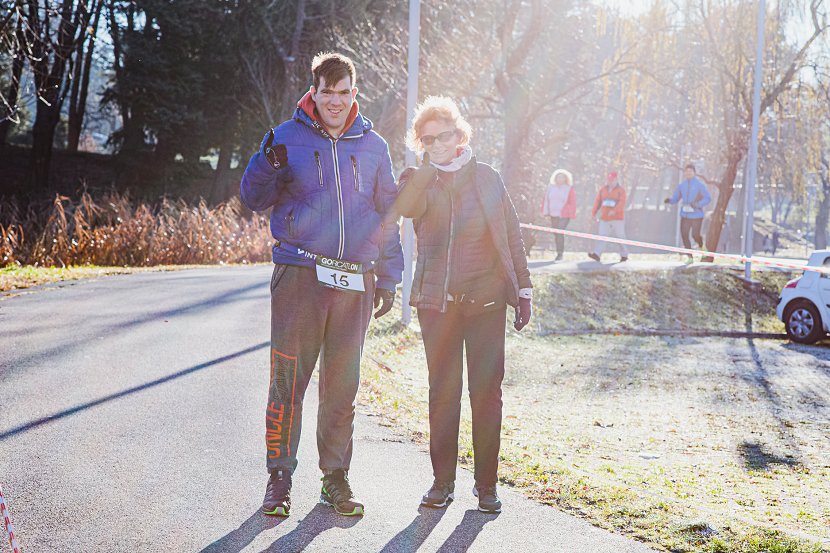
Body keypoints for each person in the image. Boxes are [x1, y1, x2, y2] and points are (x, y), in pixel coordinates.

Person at [239, 52, 403, 518]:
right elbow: (252, 198)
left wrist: (389, 275)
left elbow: (388, 213)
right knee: (288, 381)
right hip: (300, 275)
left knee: (342, 387)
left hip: (355, 280)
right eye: (327, 92)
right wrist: (266, 163)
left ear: (355, 93)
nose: (335, 100)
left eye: (343, 91)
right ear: (313, 92)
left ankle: (335, 479)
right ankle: (279, 479)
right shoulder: (285, 137)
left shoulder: (374, 146)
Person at [394, 96, 532, 514]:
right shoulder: (418, 180)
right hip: (437, 305)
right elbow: (406, 209)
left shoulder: (488, 178)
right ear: (420, 143)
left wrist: (523, 289)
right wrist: (425, 171)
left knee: (486, 395)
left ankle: (486, 486)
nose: (438, 144)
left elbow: (511, 234)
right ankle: (442, 483)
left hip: (486, 302)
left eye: (444, 135)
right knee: (443, 393)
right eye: (428, 139)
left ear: (460, 135)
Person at [664, 164, 712, 261]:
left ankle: (702, 246)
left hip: (697, 215)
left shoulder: (699, 185)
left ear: (694, 173)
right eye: (687, 171)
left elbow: (708, 198)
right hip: (685, 215)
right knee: (684, 235)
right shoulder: (682, 185)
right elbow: (676, 198)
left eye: (690, 171)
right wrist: (670, 200)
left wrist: (697, 204)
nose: (688, 173)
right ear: (685, 173)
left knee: (695, 235)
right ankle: (690, 257)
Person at [588, 171, 628, 262]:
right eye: (609, 180)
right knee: (602, 235)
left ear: (616, 180)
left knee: (620, 236)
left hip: (617, 218)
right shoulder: (603, 190)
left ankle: (624, 255)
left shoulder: (621, 190)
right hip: (605, 218)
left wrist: (614, 211)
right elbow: (598, 202)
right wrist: (593, 213)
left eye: (612, 180)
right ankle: (597, 254)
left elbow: (622, 203)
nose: (610, 182)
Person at [541, 168, 576, 261]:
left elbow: (572, 202)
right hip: (553, 214)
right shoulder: (551, 187)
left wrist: (570, 212)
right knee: (556, 233)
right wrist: (545, 211)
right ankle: (559, 251)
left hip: (564, 215)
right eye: (558, 177)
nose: (560, 179)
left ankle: (560, 254)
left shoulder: (569, 188)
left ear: (566, 179)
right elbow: (546, 200)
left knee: (560, 231)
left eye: (562, 177)